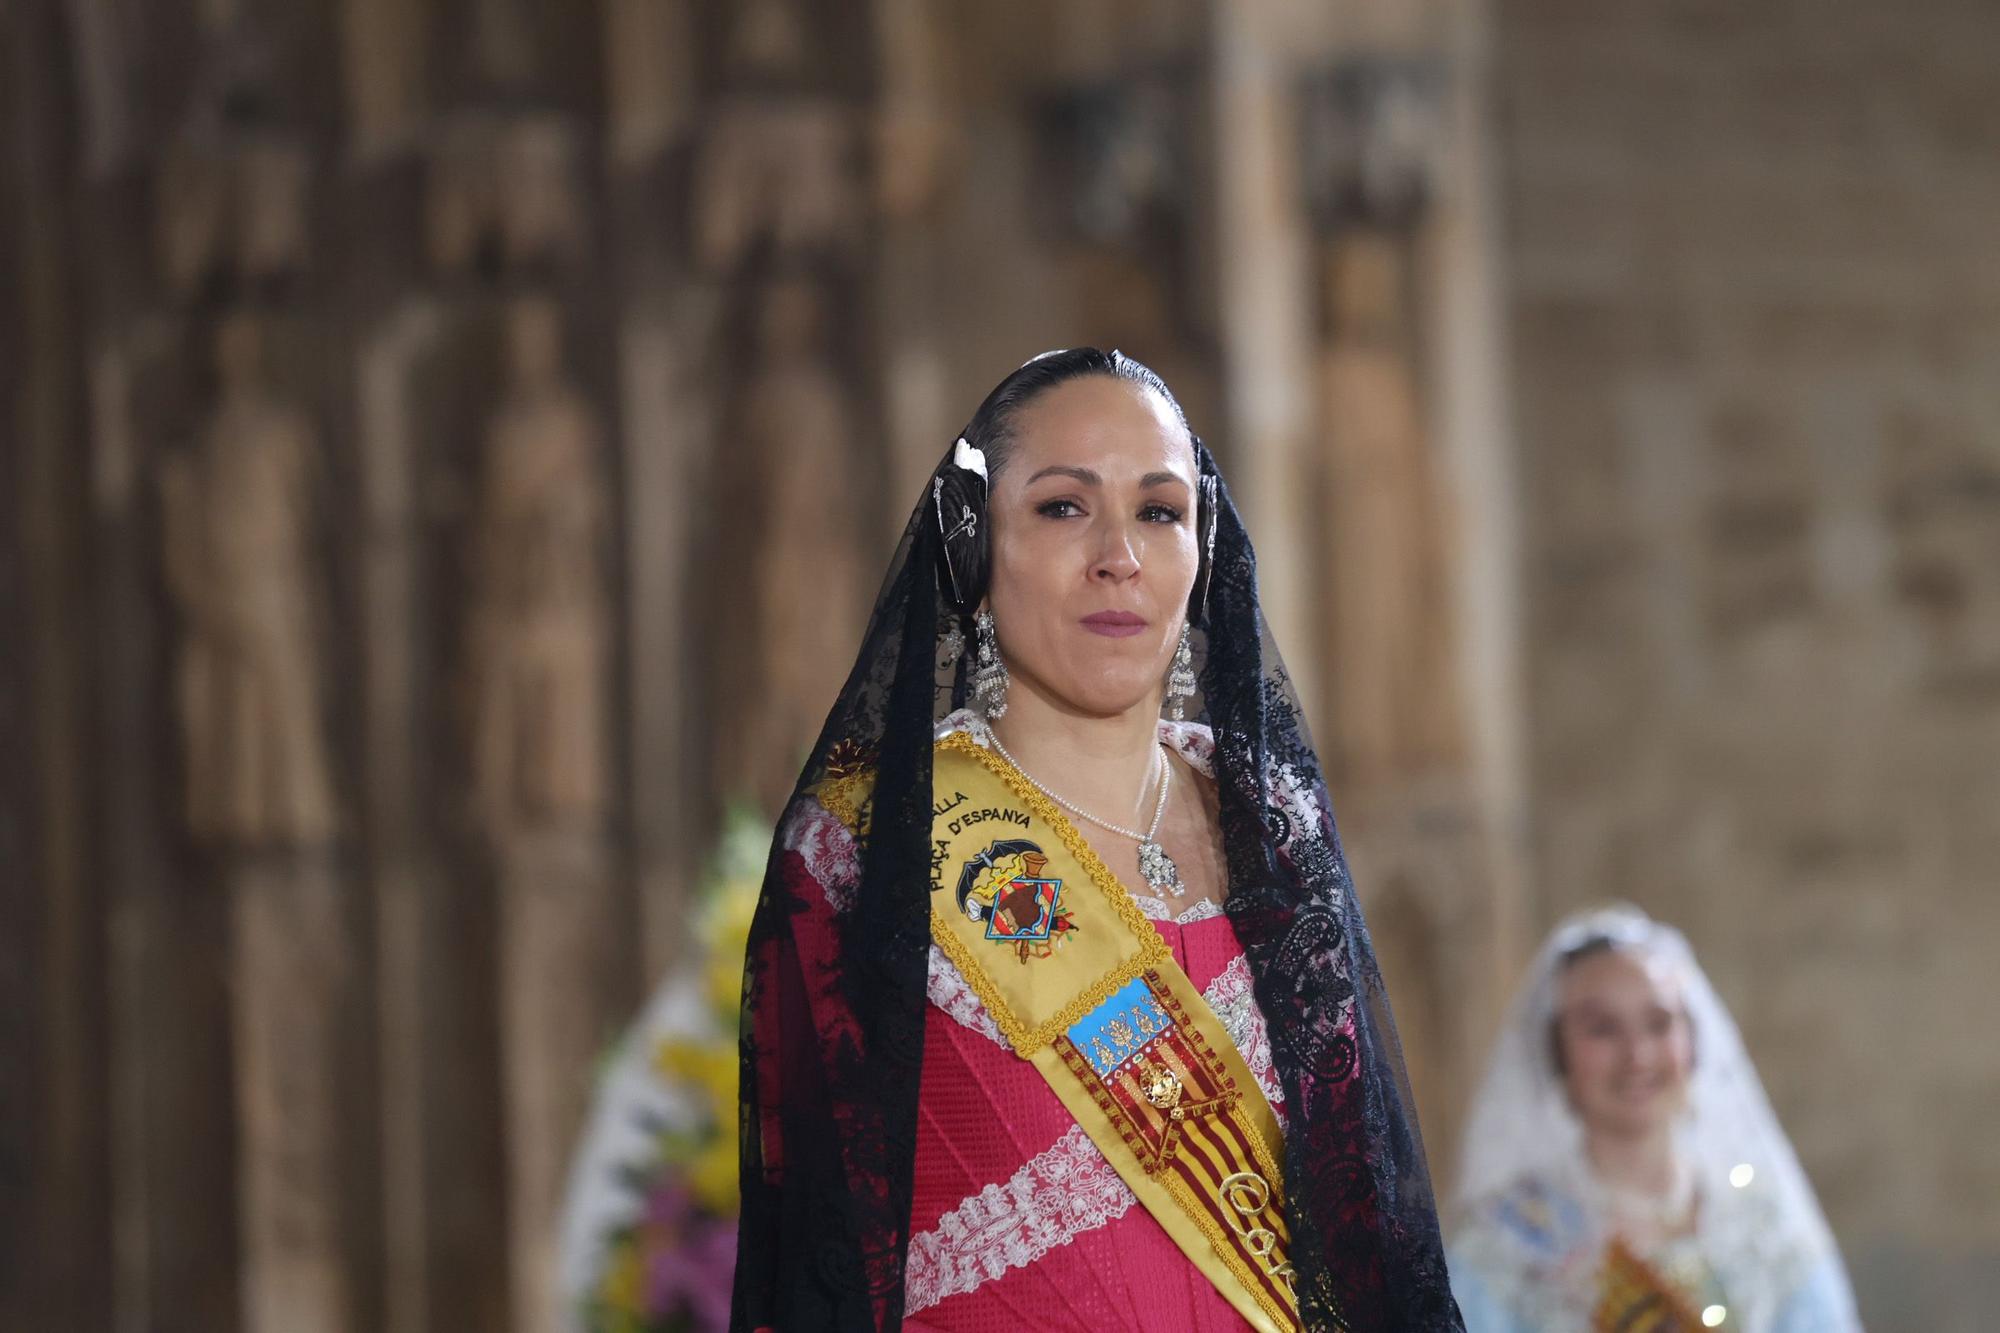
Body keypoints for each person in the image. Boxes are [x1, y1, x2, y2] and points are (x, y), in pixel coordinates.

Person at [731, 349, 1462, 1332]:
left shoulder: (1272, 828)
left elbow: (1364, 1224)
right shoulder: (866, 848)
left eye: (1159, 511)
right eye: (1063, 507)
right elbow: (814, 1263)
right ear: (971, 546)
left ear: (1203, 551)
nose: (1119, 554)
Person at [1449, 905, 1862, 1332]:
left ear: (1694, 1042)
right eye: (1603, 1028)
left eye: (1659, 1023)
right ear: (1556, 1052)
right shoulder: (1507, 1245)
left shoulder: (1761, 1225)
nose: (1638, 1055)